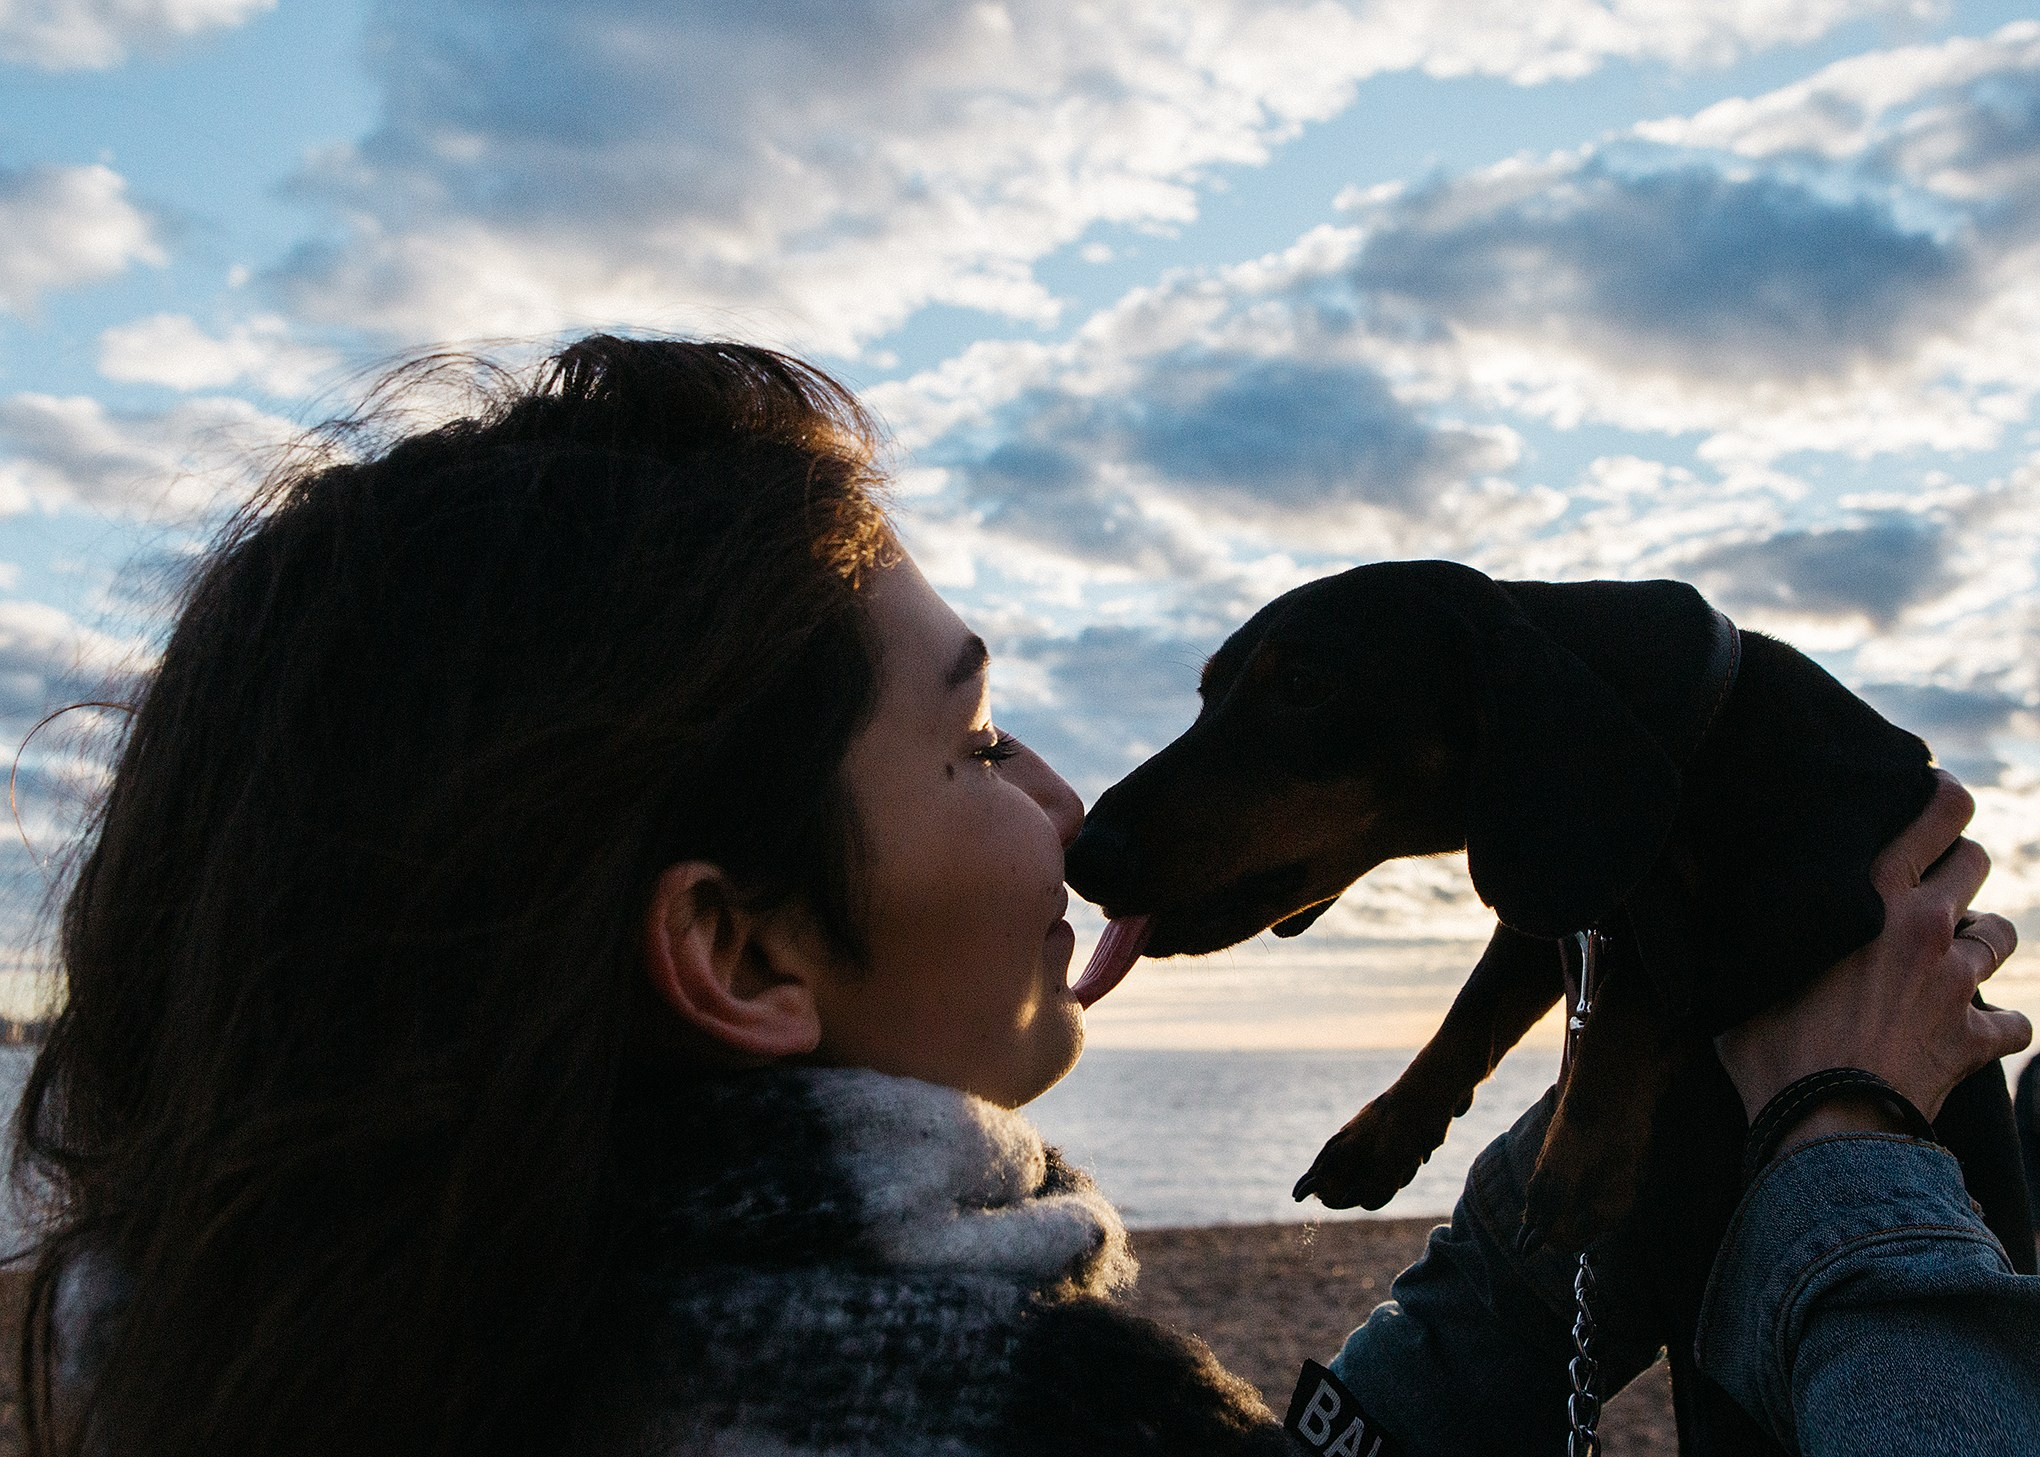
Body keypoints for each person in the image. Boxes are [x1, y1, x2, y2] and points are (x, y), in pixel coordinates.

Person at [9, 335, 2033, 1457]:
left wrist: (1556, 1212)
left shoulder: (323, 1359)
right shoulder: (1035, 1431)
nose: (1069, 804)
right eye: (977, 745)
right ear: (737, 950)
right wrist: (1850, 1159)